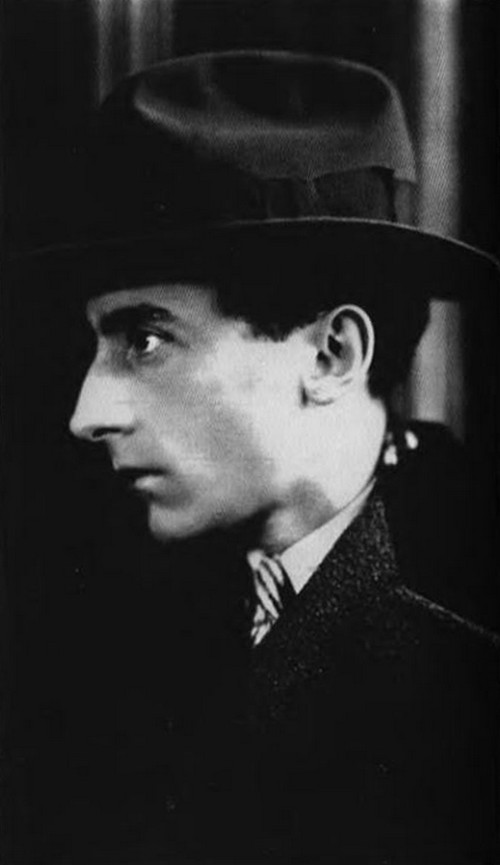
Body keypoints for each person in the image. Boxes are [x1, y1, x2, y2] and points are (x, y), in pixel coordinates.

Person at [15, 51, 499, 863]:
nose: (86, 414)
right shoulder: (84, 615)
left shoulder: (469, 640)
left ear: (332, 355)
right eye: (96, 345)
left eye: (146, 340)